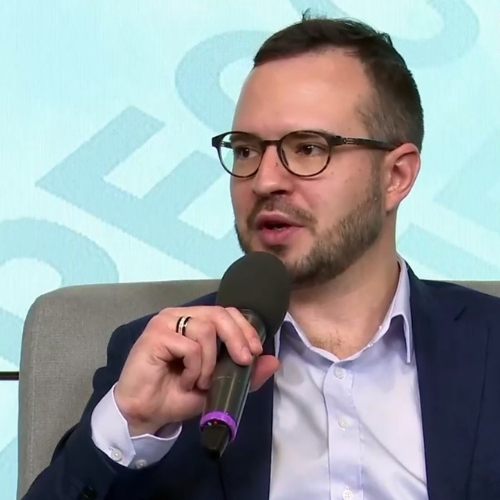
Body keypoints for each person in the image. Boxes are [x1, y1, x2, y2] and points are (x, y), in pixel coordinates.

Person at [22, 14, 500, 500]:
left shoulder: (490, 345)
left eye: (308, 148)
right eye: (247, 150)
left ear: (396, 176)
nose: (265, 180)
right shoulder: (162, 358)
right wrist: (127, 426)